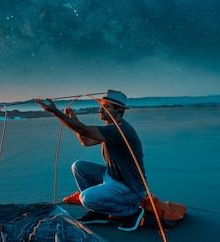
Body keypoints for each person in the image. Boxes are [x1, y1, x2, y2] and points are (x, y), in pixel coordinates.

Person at [36, 90, 146, 231]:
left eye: (106, 106)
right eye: (101, 105)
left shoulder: (120, 130)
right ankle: (99, 213)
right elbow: (85, 141)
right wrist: (74, 121)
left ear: (119, 110)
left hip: (129, 186)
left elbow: (84, 130)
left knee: (87, 198)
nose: (100, 109)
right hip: (113, 176)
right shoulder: (110, 129)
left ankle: (131, 211)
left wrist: (56, 112)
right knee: (79, 166)